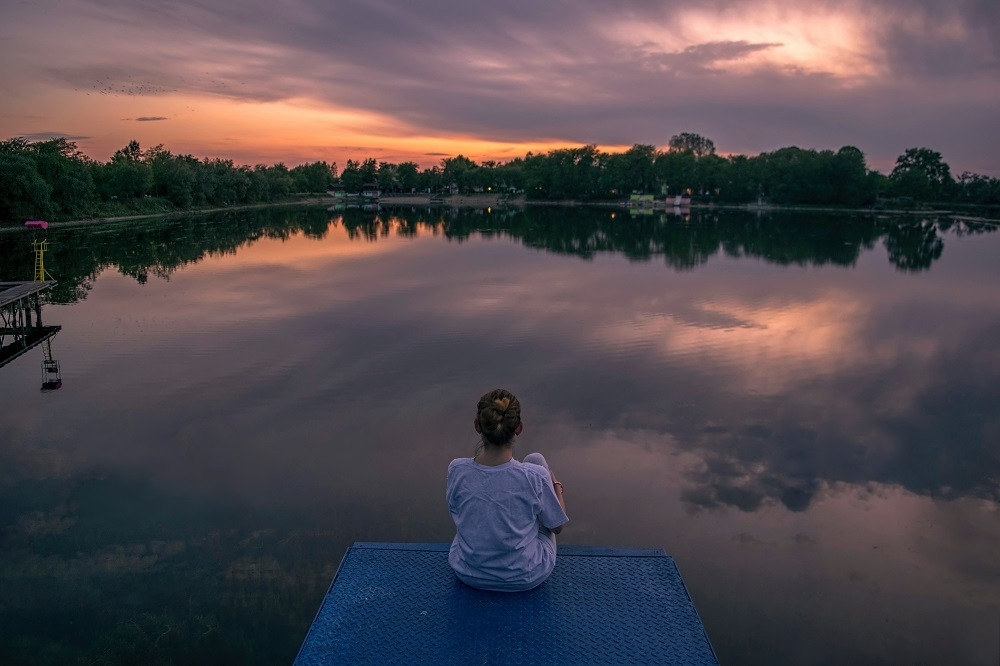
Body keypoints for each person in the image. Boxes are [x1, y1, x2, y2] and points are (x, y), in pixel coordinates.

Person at [446, 388, 569, 591]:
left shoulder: (457, 469)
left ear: (477, 426)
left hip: (469, 573)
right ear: (519, 428)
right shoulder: (534, 475)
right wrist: (556, 487)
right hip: (526, 576)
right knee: (536, 460)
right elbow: (557, 527)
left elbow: (456, 510)